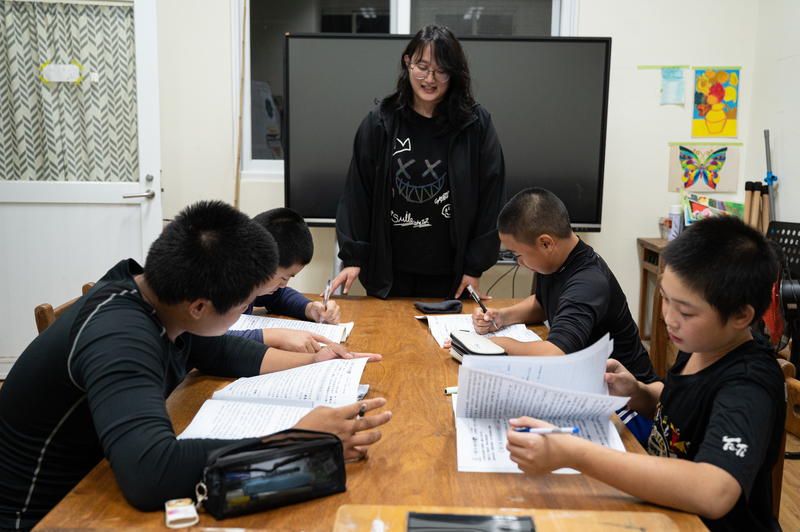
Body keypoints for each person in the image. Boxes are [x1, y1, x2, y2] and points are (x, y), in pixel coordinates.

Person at [0, 201, 391, 531]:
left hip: (97, 481)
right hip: (47, 515)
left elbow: (218, 352)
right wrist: (296, 439)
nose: (244, 314)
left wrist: (314, 361)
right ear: (200, 306)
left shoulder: (157, 295)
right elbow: (150, 473)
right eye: (244, 306)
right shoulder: (120, 336)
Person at [506, 215, 785, 532]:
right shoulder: (702, 342)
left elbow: (714, 491)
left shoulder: (749, 384)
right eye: (666, 299)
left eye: (686, 311)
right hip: (661, 506)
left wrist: (572, 452)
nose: (669, 318)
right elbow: (682, 404)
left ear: (740, 315)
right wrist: (638, 392)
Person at [332, 24, 506, 300]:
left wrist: (475, 267)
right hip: (388, 275)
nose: (430, 78)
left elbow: (491, 199)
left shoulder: (476, 124)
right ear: (407, 63)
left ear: (455, 73)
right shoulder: (380, 122)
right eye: (422, 67)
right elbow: (357, 194)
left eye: (441, 70)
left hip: (451, 275)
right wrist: (354, 257)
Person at [462, 187, 659, 384]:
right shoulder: (554, 263)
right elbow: (542, 304)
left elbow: (556, 355)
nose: (519, 263)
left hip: (627, 401)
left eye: (518, 255)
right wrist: (503, 316)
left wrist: (495, 344)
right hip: (586, 379)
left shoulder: (588, 281)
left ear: (546, 243)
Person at [227, 208, 341, 353]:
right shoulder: (220, 284)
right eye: (284, 277)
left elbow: (279, 296)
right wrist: (274, 337)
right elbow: (208, 339)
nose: (283, 285)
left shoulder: (249, 282)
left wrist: (309, 309)